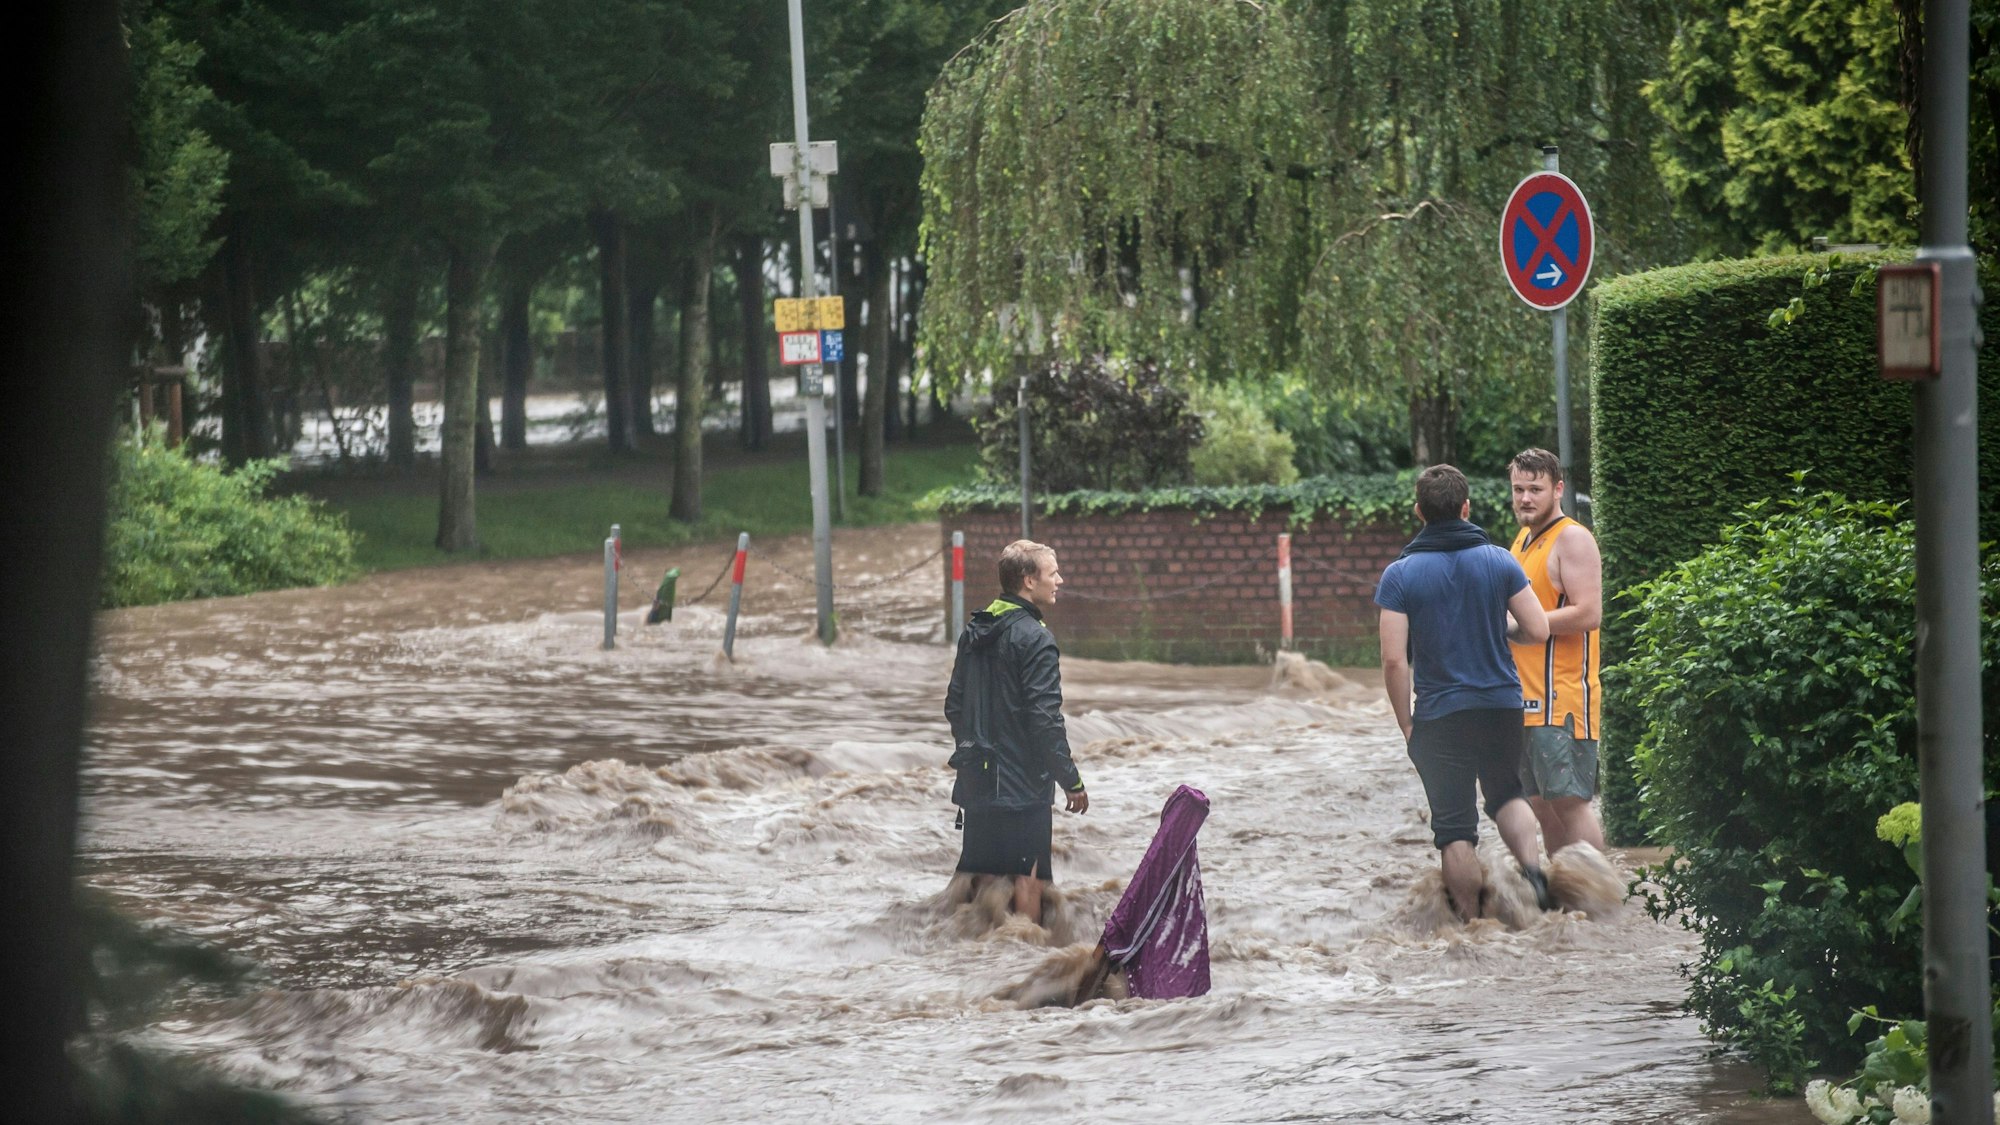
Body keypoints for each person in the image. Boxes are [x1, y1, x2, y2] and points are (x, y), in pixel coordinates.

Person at [1375, 465, 1553, 921]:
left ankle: (1472, 926)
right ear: (1466, 507)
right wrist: (1499, 627)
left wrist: (1407, 724)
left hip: (1440, 714)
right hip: (1501, 706)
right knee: (1507, 793)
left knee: (1455, 827)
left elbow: (1395, 660)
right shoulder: (1499, 560)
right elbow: (1537, 629)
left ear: (1419, 512)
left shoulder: (1399, 575)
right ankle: (1534, 875)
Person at [945, 539, 1089, 925]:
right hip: (1023, 788)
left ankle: (973, 962)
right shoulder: (1036, 639)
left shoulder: (974, 630)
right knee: (1030, 879)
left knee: (984, 880)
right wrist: (1070, 780)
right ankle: (1024, 961)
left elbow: (954, 706)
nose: (1059, 580)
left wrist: (977, 753)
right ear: (1028, 580)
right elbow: (1044, 720)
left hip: (978, 780)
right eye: (1052, 572)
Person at [1505, 447, 1607, 856]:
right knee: (1542, 808)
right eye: (1518, 489)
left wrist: (1523, 626)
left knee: (1570, 804)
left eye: (1535, 489)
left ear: (1557, 488)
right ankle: (1568, 904)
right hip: (1523, 701)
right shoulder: (1522, 540)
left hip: (1562, 699)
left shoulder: (1573, 538)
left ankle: (1603, 908)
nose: (1526, 498)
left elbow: (1589, 613)